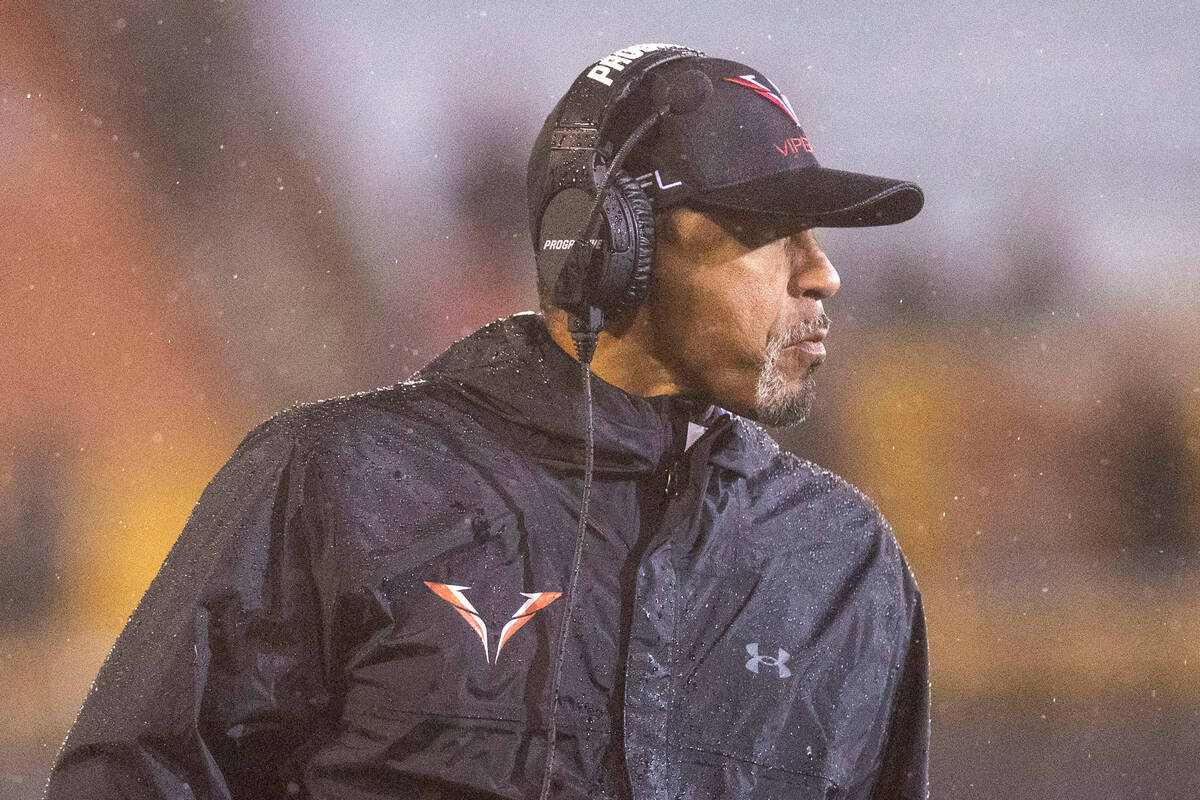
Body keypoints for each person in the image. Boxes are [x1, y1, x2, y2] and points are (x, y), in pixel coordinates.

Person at [44, 45, 928, 800]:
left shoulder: (846, 562)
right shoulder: (335, 483)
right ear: (606, 246)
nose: (821, 274)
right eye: (772, 230)